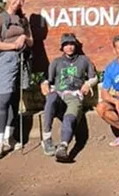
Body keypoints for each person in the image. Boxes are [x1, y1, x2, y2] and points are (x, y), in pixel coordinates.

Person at [0, 0, 34, 159]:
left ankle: (10, 137)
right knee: (4, 99)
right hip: (7, 60)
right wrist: (12, 46)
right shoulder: (0, 18)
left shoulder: (23, 20)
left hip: (22, 61)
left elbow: (31, 41)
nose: (18, 2)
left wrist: (24, 39)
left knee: (15, 99)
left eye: (21, 0)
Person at [40, 33, 98, 162]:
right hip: (59, 94)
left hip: (74, 94)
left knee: (70, 117)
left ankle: (63, 146)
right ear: (62, 47)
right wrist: (44, 84)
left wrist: (88, 84)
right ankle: (47, 138)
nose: (69, 47)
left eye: (71, 44)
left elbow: (94, 77)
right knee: (51, 97)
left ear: (75, 45)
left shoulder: (84, 60)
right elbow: (47, 80)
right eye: (66, 44)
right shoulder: (56, 62)